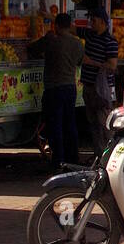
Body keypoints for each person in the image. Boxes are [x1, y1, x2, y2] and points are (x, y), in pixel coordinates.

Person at [26, 12, 84, 167]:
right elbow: (79, 62)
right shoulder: (77, 43)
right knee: (70, 124)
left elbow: (31, 49)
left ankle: (58, 160)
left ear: (56, 26)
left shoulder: (51, 40)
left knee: (55, 125)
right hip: (70, 87)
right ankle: (73, 158)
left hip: (54, 88)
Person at [80, 9, 120, 157]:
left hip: (101, 89)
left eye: (94, 20)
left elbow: (112, 66)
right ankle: (100, 155)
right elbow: (70, 28)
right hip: (88, 85)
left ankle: (112, 155)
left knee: (105, 124)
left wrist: (92, 62)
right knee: (93, 124)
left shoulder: (110, 41)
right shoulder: (89, 35)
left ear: (103, 22)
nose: (91, 23)